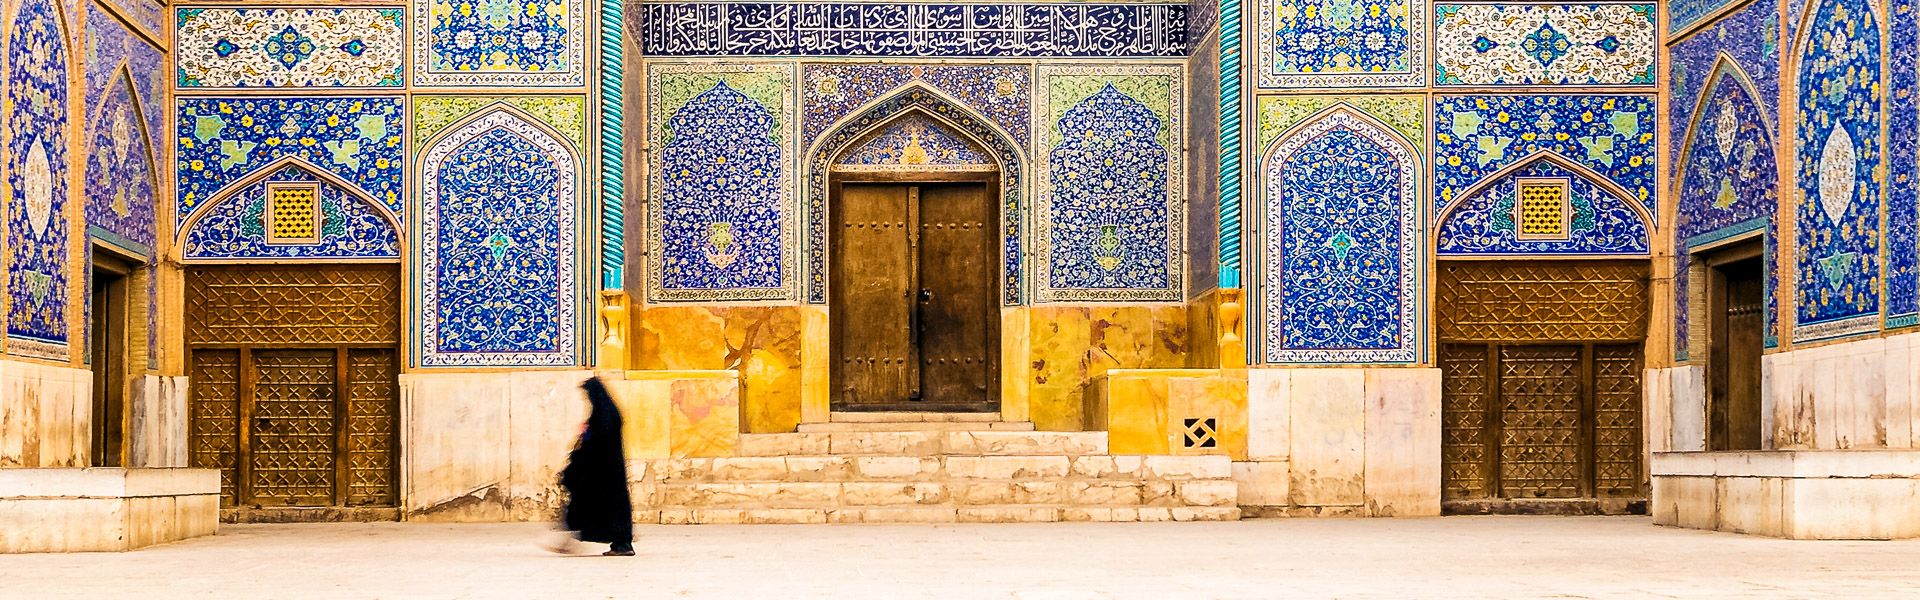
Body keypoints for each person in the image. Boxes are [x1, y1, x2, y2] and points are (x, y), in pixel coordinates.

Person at [554, 376, 634, 556]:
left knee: (597, 504)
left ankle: (621, 544)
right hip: (603, 471)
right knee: (591, 505)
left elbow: (598, 439)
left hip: (604, 471)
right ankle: (619, 544)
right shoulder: (606, 413)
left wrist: (586, 434)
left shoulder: (605, 416)